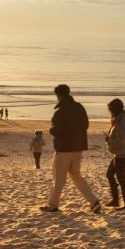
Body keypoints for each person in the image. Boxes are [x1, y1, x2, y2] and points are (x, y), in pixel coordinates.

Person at [41, 84, 100, 213]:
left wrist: (52, 129)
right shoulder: (79, 107)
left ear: (59, 95)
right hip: (77, 148)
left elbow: (56, 130)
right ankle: (94, 201)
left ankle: (52, 205)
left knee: (58, 179)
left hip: (63, 149)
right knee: (76, 176)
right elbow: (85, 125)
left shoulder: (60, 111)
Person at [104, 98, 125, 210]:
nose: (110, 112)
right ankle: (116, 200)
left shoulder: (121, 121)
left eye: (110, 110)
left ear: (115, 109)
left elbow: (120, 141)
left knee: (121, 180)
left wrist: (108, 140)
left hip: (121, 154)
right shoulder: (119, 119)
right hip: (118, 153)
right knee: (110, 175)